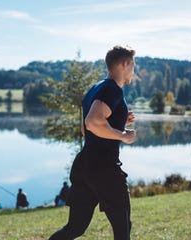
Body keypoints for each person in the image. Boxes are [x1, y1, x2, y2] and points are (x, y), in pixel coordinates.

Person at [49, 45, 137, 240]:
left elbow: (86, 129)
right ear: (124, 64)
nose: (134, 70)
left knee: (74, 228)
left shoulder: (96, 88)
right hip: (104, 168)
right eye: (133, 65)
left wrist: (119, 121)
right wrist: (123, 135)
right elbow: (92, 123)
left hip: (85, 165)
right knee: (123, 228)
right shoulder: (112, 89)